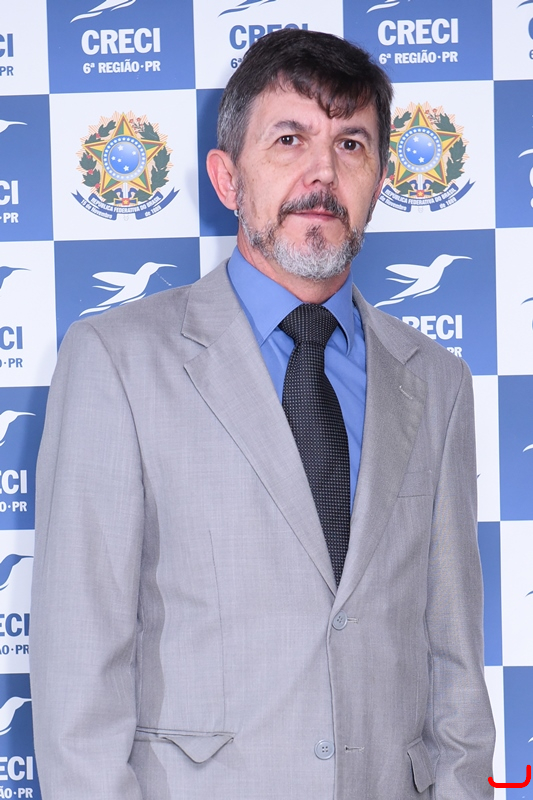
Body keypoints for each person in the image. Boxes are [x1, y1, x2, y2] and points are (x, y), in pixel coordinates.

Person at [30, 29, 495, 800]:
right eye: (288, 139)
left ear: (379, 180)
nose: (322, 172)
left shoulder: (436, 382)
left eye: (350, 144)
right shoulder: (117, 361)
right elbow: (80, 675)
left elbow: (453, 666)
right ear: (226, 177)